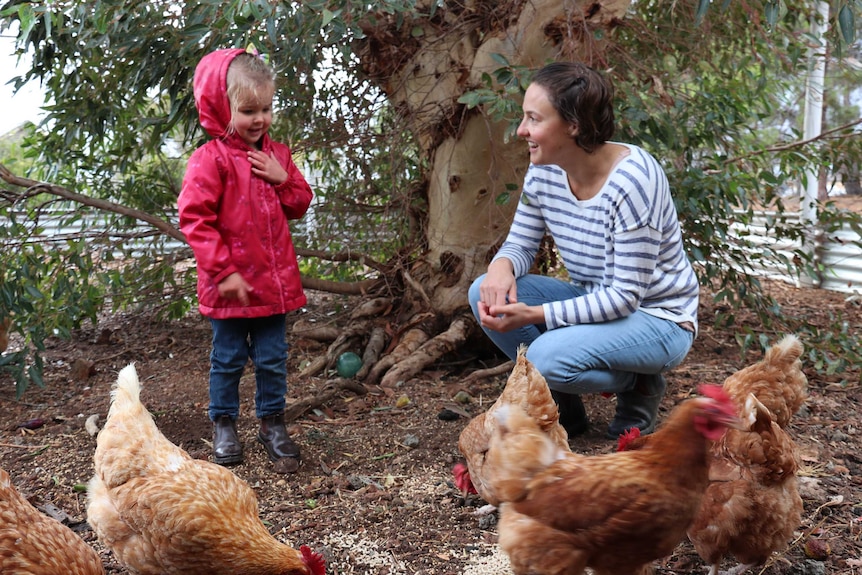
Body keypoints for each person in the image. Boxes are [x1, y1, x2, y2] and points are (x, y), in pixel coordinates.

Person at [468, 62, 699, 439]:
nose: (522, 130)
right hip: (596, 300)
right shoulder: (544, 169)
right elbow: (521, 245)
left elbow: (625, 298)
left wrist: (535, 313)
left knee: (544, 356)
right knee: (483, 291)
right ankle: (564, 415)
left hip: (659, 319)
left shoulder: (634, 180)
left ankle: (637, 383)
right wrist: (502, 265)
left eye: (533, 119)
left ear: (573, 125)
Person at [178, 47, 313, 471]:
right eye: (248, 110)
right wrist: (223, 271)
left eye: (267, 109)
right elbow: (195, 218)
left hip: (272, 288)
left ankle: (273, 423)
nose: (259, 119)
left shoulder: (278, 156)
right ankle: (224, 423)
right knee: (228, 359)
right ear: (223, 107)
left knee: (273, 358)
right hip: (231, 289)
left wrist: (282, 177)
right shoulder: (210, 159)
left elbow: (300, 203)